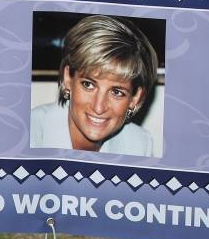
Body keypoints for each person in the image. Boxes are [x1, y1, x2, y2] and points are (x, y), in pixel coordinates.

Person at [30, 14, 158, 156]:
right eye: (88, 85)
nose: (98, 107)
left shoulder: (139, 145)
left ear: (135, 98)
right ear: (68, 78)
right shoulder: (28, 135)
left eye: (116, 92)